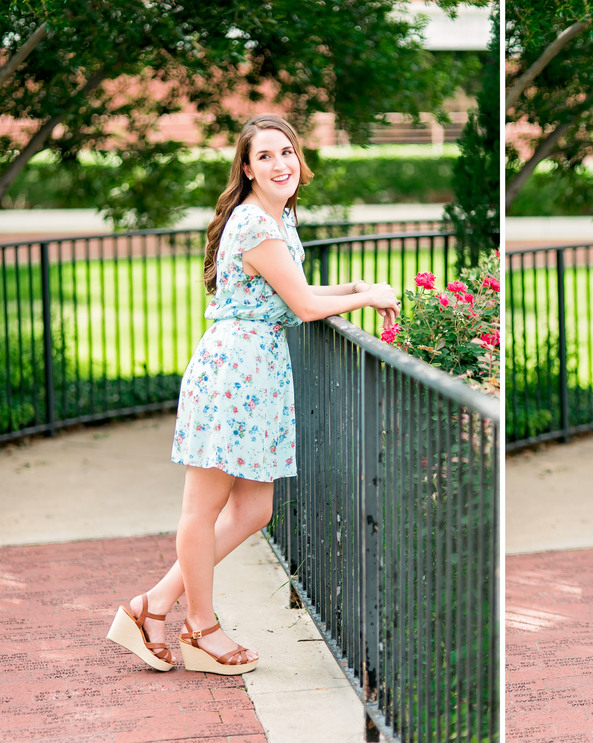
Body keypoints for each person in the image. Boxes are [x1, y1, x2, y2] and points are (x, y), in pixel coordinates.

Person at [107, 114, 401, 675]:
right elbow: (306, 307)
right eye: (265, 156)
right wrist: (363, 300)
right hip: (233, 372)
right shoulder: (254, 225)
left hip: (257, 371)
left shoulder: (276, 219)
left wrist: (357, 286)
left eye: (286, 151)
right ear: (247, 168)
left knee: (253, 508)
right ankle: (200, 625)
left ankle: (151, 606)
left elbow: (293, 289)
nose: (280, 163)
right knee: (204, 509)